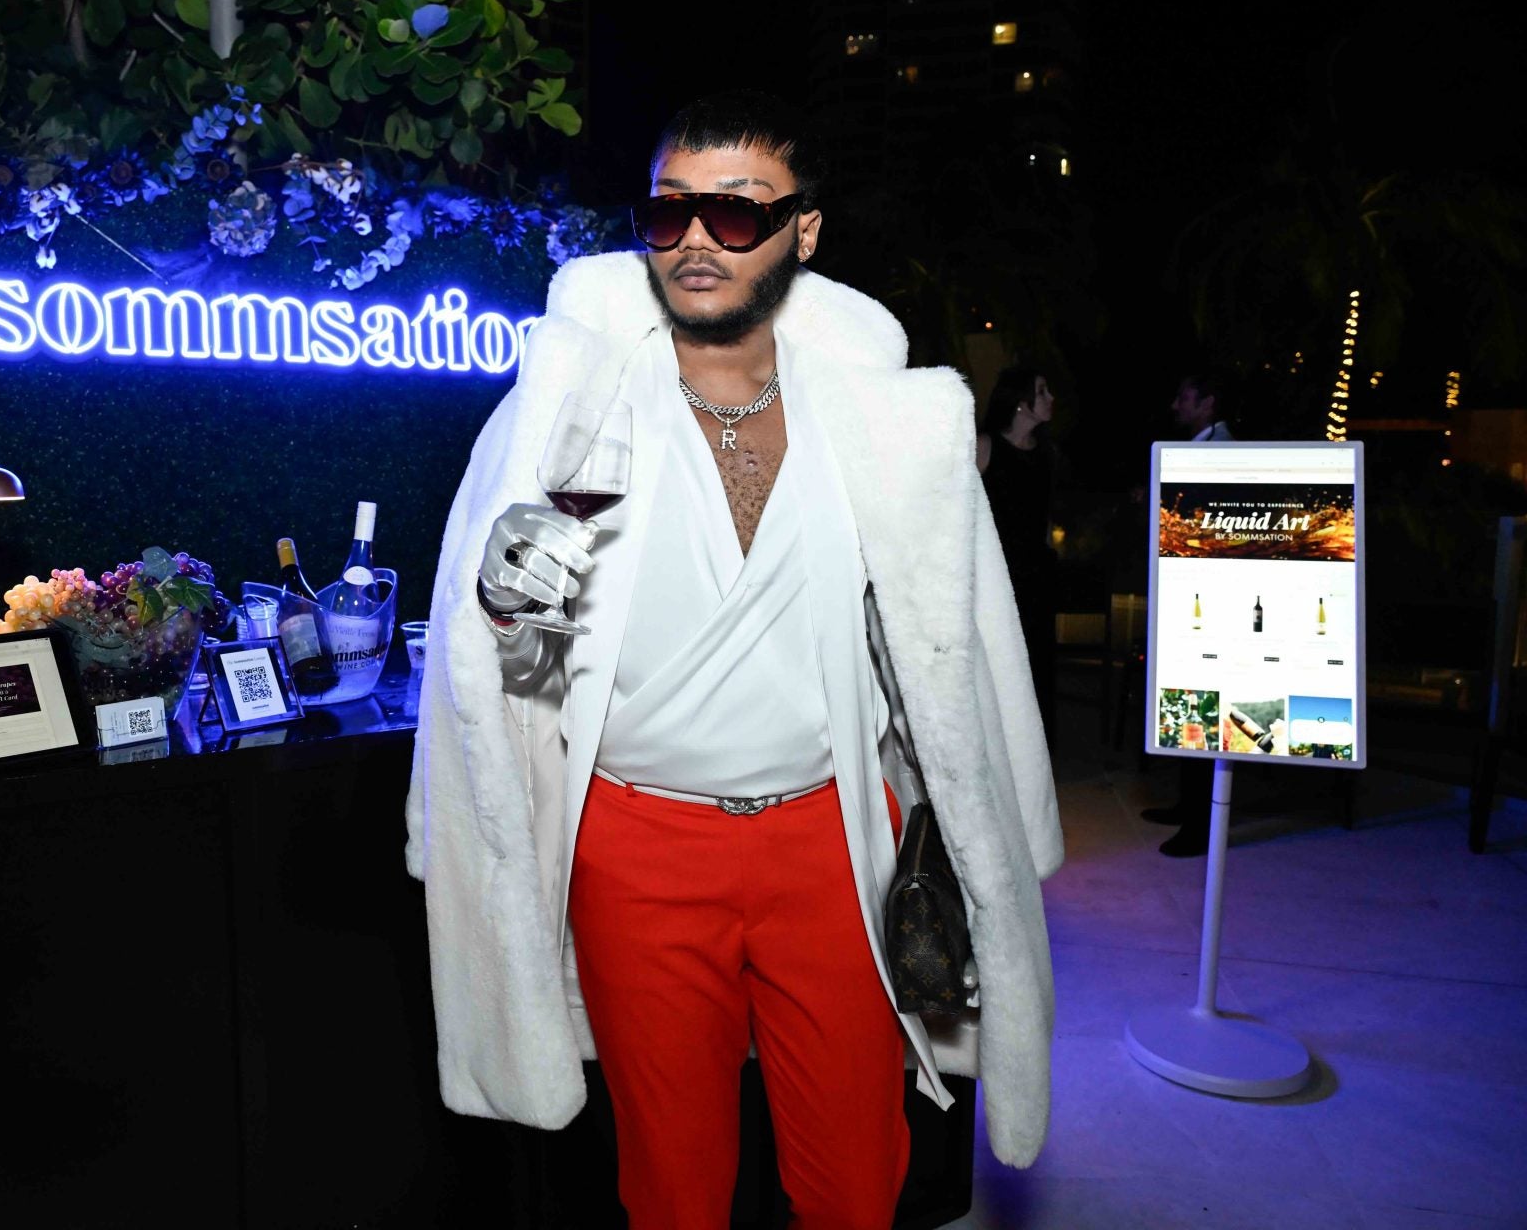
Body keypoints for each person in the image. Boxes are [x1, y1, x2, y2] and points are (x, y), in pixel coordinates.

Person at [407, 90, 1062, 1228]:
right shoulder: (566, 411)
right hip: (637, 846)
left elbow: (954, 652)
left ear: (804, 231)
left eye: (737, 212)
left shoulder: (883, 422)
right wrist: (508, 609)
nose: (697, 240)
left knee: (856, 1179)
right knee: (673, 1186)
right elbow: (502, 661)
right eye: (670, 214)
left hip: (831, 840)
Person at [1145, 374, 1238, 856]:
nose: (1175, 404)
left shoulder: (1223, 451)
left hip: (1210, 596)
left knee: (1205, 701)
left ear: (1208, 402)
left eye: (1184, 396)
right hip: (1192, 592)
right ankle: (1189, 806)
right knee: (1186, 698)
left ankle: (1202, 822)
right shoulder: (1200, 447)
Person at [978, 366, 1059, 747]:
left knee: (1037, 663)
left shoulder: (1047, 453)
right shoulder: (985, 447)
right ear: (1020, 402)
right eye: (1041, 391)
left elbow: (1044, 516)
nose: (1050, 398)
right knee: (1001, 665)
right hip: (998, 575)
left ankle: (1036, 751)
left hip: (1036, 574)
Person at [1171, 372, 1234, 441]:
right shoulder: (1214, 440)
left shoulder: (1217, 444)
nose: (1174, 406)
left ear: (1207, 403)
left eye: (1183, 399)